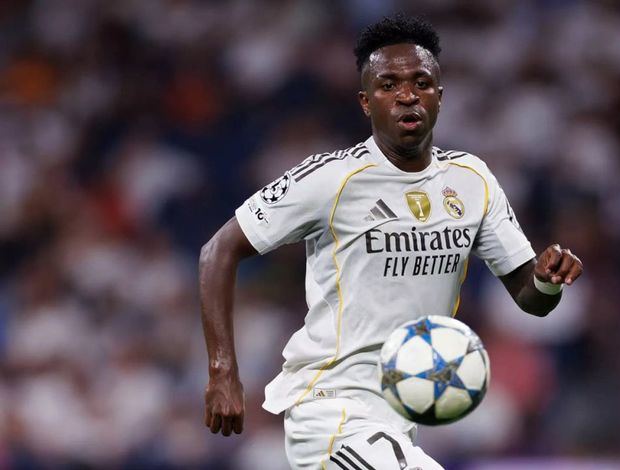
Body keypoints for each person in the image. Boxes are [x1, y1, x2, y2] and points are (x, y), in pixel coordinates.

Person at [199, 14, 583, 470]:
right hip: (332, 413)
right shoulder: (331, 179)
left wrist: (547, 280)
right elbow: (217, 251)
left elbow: (530, 299)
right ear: (366, 102)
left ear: (439, 96)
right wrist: (223, 371)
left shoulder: (472, 181)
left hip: (398, 420)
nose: (407, 95)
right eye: (388, 85)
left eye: (421, 83)